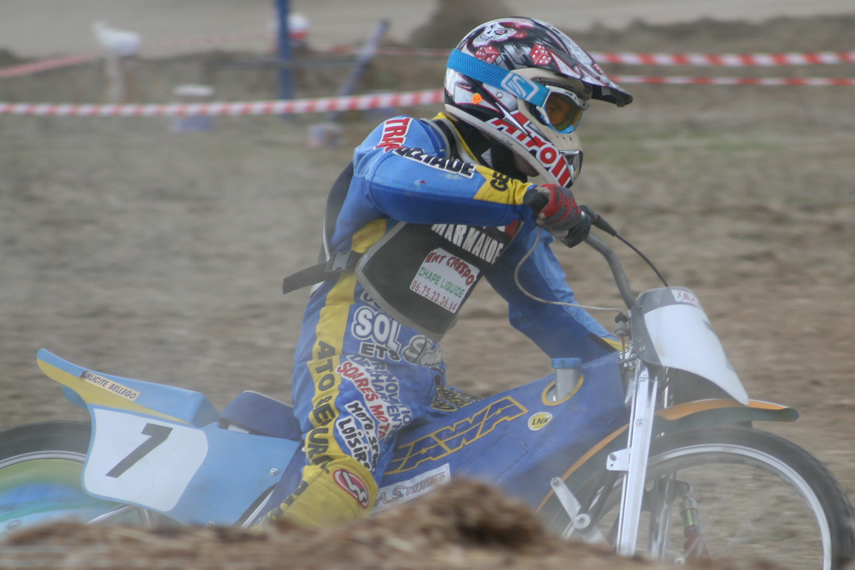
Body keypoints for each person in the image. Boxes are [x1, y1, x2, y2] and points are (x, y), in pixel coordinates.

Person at [267, 17, 633, 527]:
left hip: (422, 377)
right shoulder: (414, 136)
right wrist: (521, 196)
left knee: (499, 471)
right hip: (347, 352)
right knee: (343, 480)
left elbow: (548, 310)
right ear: (507, 93)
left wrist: (630, 366)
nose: (567, 129)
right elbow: (390, 180)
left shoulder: (515, 210)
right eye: (560, 110)